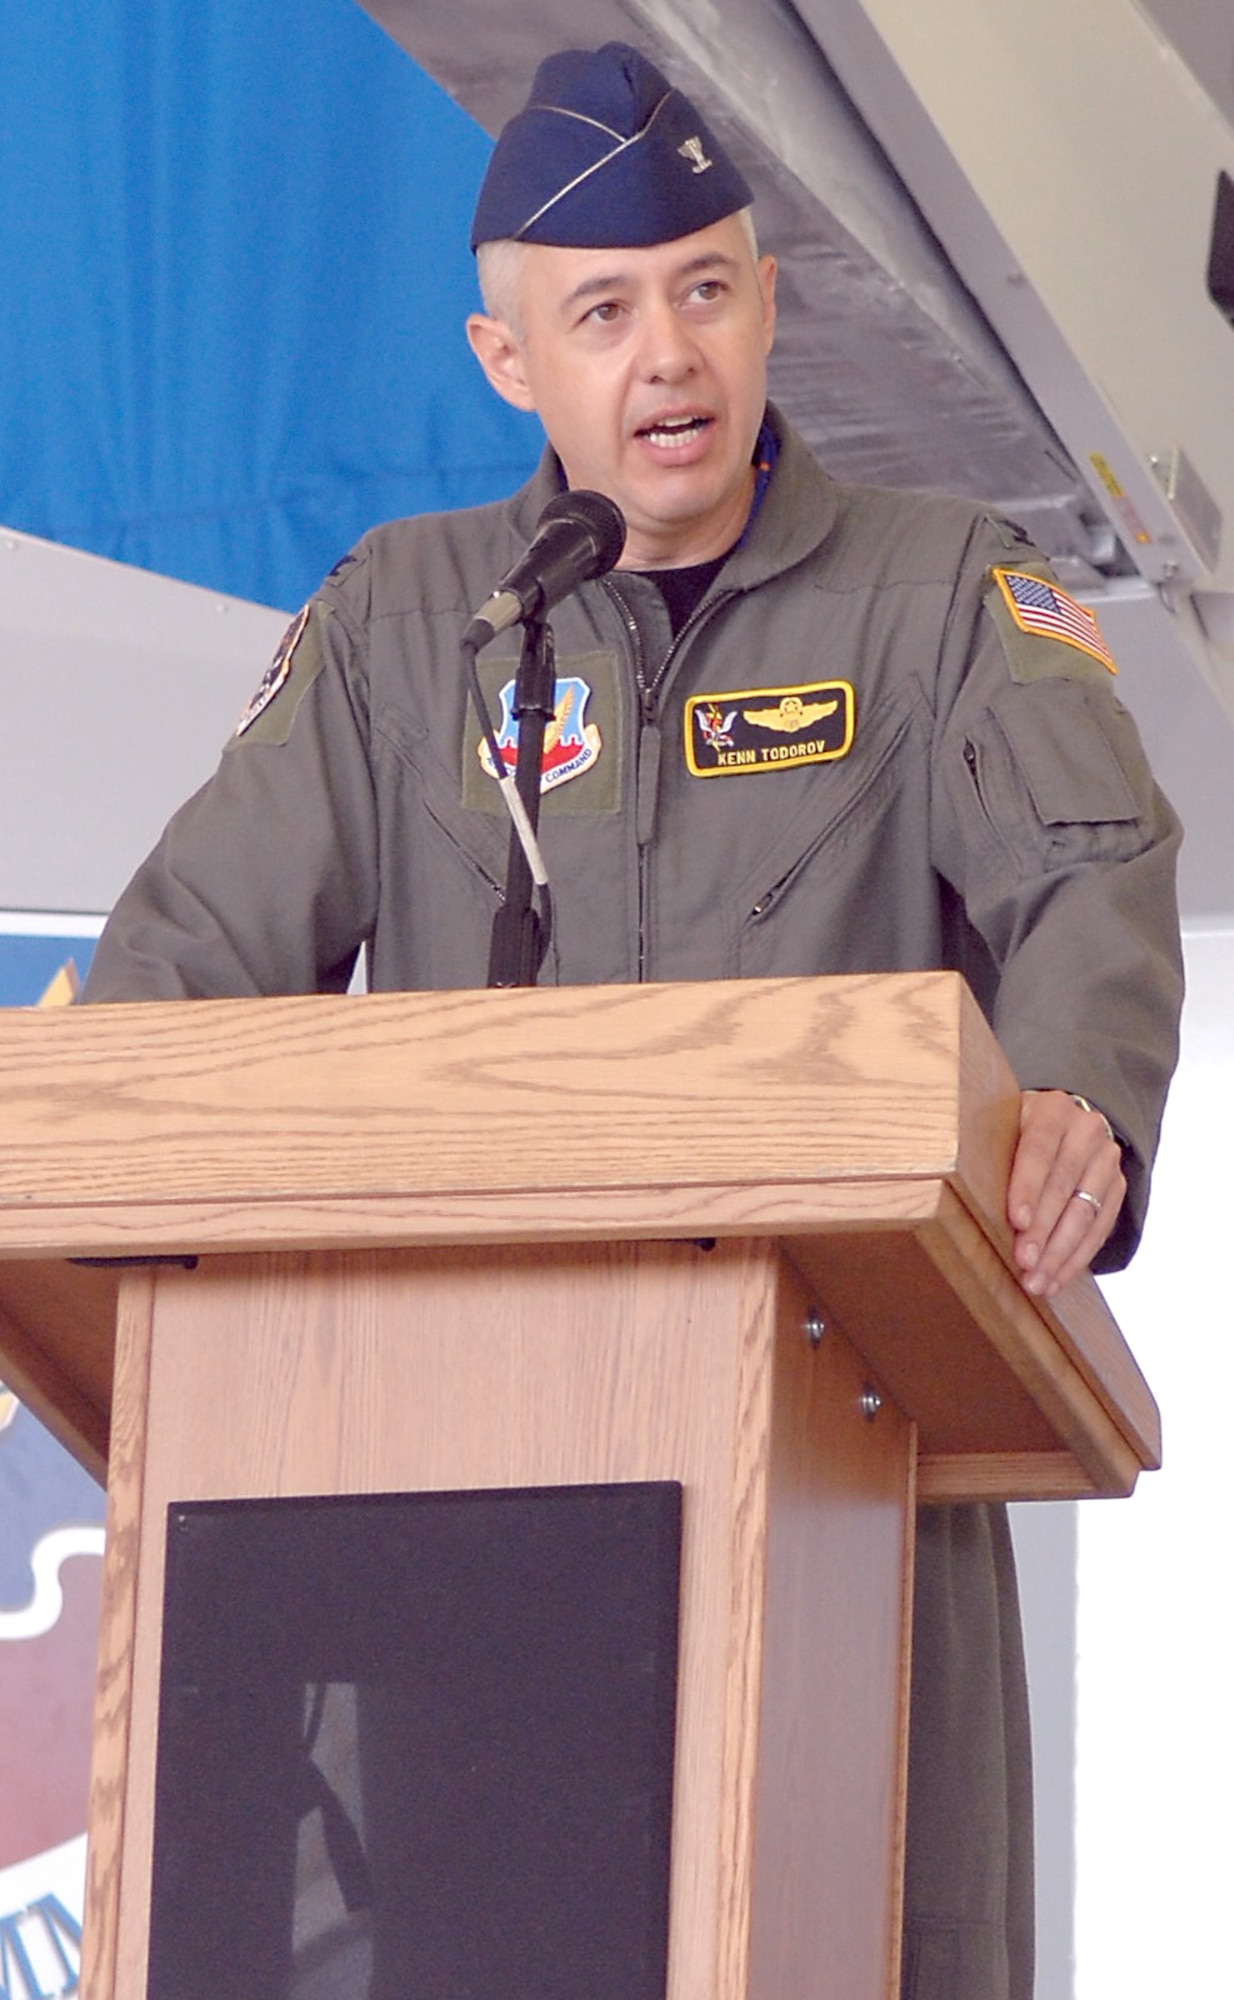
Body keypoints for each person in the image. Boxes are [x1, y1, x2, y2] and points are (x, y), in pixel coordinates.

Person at [83, 41, 1183, 2000]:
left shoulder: (939, 600)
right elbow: (184, 977)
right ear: (512, 363)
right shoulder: (401, 635)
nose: (664, 353)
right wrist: (100, 1133)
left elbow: (1087, 886)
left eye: (701, 286)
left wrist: (1079, 1096)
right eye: (601, 312)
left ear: (766, 299)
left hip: (840, 1477)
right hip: (447, 1526)